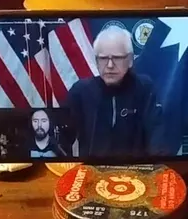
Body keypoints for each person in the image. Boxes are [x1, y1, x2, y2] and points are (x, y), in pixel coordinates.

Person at [65, 26, 166, 159]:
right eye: (103, 58)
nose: (110, 65)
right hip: (92, 168)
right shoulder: (80, 91)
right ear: (96, 61)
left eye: (117, 58)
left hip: (136, 168)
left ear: (130, 60)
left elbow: (156, 139)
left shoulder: (145, 88)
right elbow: (63, 139)